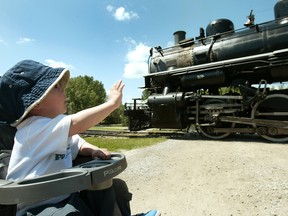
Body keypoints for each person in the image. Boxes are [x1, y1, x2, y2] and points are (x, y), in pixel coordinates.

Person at [0, 60, 160, 216]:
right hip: (37, 207)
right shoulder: (33, 127)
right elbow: (77, 123)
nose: (64, 91)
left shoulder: (55, 128)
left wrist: (92, 149)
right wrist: (111, 104)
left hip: (64, 196)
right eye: (56, 87)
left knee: (115, 188)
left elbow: (77, 142)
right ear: (36, 103)